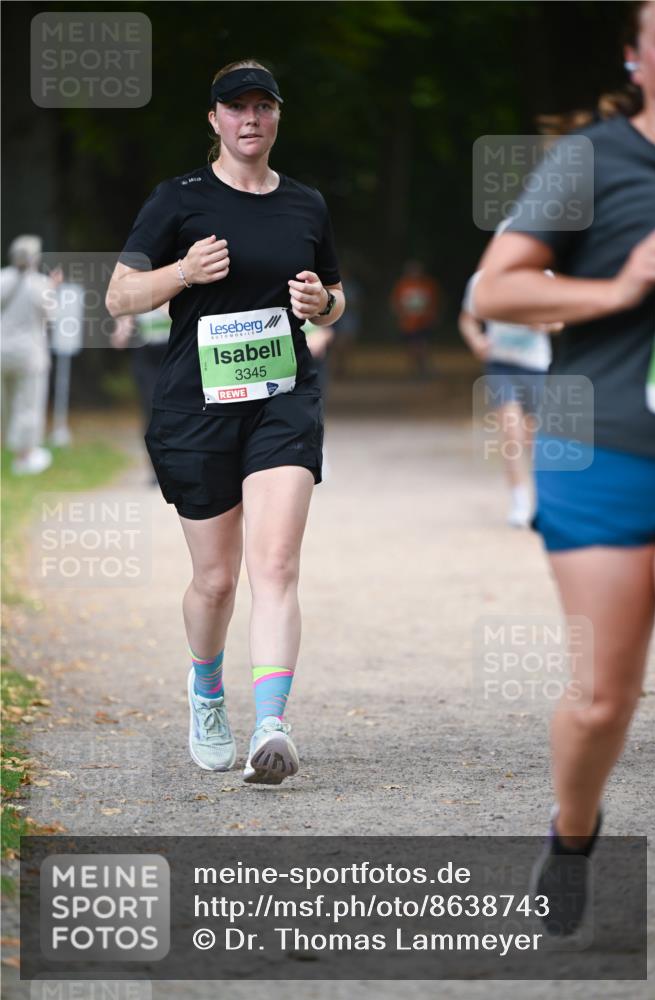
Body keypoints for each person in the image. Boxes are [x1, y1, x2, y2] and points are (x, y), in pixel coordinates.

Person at [474, 0, 655, 934]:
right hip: (604, 447)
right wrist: (624, 285)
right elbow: (497, 286)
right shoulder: (590, 161)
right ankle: (574, 832)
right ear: (636, 58)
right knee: (602, 699)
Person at [106, 59, 345, 785]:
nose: (250, 119)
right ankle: (206, 690)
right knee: (215, 580)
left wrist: (321, 306)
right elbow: (119, 298)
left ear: (277, 117)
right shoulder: (177, 199)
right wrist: (182, 272)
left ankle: (271, 725)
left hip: (282, 400)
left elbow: (333, 293)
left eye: (262, 106)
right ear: (213, 120)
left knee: (274, 565)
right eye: (234, 108)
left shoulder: (305, 204)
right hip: (196, 408)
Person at [459, 253, 552, 527]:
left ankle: (543, 500)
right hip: (500, 364)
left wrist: (543, 323)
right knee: (512, 431)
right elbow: (467, 319)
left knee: (534, 439)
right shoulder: (482, 281)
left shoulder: (544, 278)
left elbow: (561, 322)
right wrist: (477, 341)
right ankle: (520, 501)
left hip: (536, 366)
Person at [1, 235, 61, 475]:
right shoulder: (40, 284)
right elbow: (51, 317)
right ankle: (24, 457)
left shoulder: (2, 278)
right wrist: (53, 288)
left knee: (4, 404)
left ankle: (9, 446)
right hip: (28, 355)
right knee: (27, 404)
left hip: (1, 352)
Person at [390, 260, 441, 376]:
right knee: (412, 347)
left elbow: (434, 302)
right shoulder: (402, 285)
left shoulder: (429, 284)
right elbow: (395, 302)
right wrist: (400, 315)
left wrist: (433, 315)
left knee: (423, 345)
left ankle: (423, 369)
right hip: (408, 323)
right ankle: (414, 370)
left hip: (424, 321)